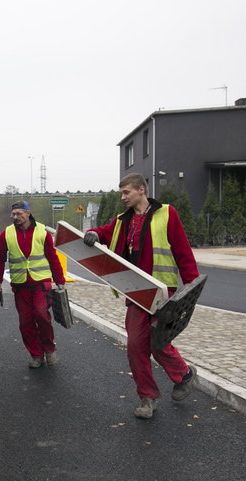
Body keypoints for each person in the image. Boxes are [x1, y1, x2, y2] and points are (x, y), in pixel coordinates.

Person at [83, 173, 199, 419]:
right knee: (136, 346)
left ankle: (184, 375)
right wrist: (93, 232)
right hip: (136, 294)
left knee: (159, 344)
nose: (123, 197)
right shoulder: (122, 220)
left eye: (126, 192)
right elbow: (105, 232)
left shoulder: (167, 214)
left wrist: (191, 289)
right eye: (122, 193)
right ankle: (147, 398)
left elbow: (183, 251)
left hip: (163, 294)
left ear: (141, 190)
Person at [0, 201, 66, 368]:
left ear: (28, 213)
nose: (15, 217)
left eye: (19, 214)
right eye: (14, 214)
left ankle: (49, 349)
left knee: (41, 315)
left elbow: (52, 257)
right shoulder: (7, 233)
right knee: (25, 322)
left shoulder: (42, 231)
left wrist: (59, 280)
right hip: (20, 285)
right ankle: (36, 354)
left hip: (41, 282)